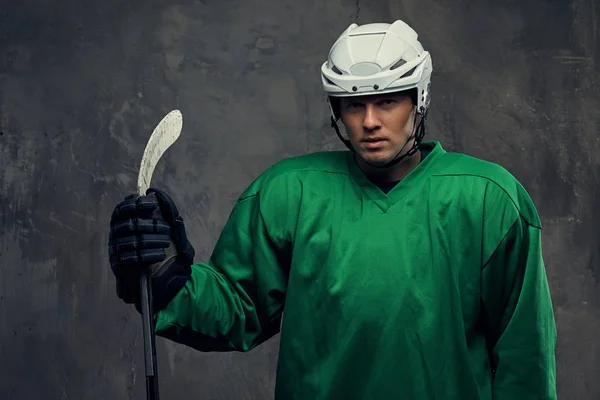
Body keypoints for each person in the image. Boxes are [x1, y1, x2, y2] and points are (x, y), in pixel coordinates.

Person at [108, 20, 557, 399]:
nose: (369, 121)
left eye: (387, 101)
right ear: (336, 109)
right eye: (354, 104)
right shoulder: (288, 192)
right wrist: (167, 280)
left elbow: (524, 353)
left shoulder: (489, 198)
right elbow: (237, 309)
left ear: (418, 99)